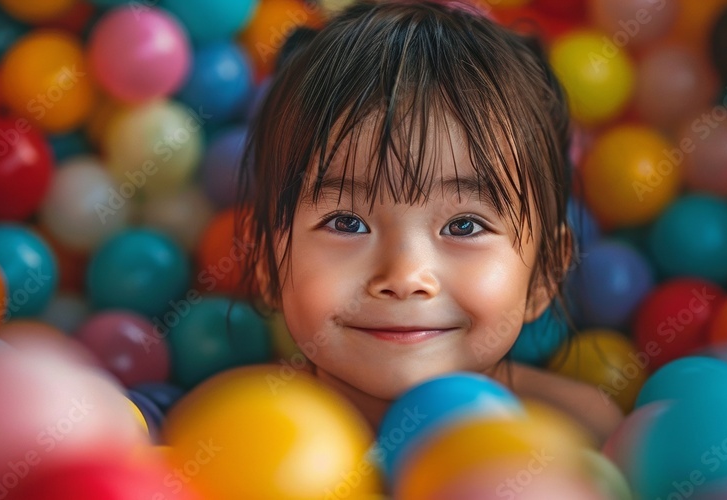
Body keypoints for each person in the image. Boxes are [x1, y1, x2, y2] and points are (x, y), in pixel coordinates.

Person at [237, 0, 622, 444]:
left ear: (545, 273)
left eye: (464, 226)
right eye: (346, 222)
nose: (404, 278)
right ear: (266, 257)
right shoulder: (243, 427)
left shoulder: (577, 432)